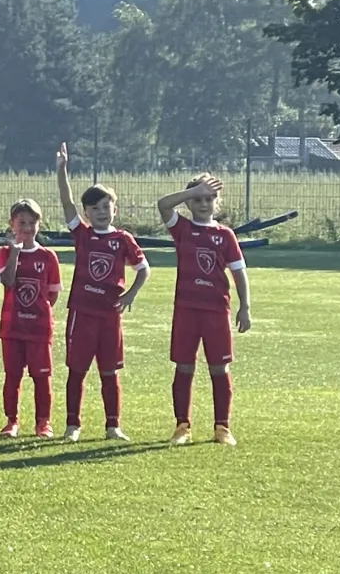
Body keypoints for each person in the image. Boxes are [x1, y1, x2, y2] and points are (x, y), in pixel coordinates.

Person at [55, 143, 150, 442]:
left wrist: (131, 294)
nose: (100, 212)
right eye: (94, 208)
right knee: (77, 370)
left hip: (110, 315)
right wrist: (62, 170)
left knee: (110, 372)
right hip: (82, 313)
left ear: (114, 209)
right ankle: (73, 426)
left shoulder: (123, 239)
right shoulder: (82, 234)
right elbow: (67, 202)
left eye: (105, 207)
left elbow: (144, 269)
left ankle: (113, 426)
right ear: (86, 212)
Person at [157, 175, 252, 446]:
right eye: (197, 198)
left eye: (209, 198)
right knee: (184, 366)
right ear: (188, 203)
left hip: (216, 311)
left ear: (216, 202)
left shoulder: (225, 235)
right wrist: (192, 190)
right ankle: (182, 426)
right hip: (186, 310)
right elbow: (163, 205)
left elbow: (239, 272)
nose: (203, 203)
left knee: (219, 368)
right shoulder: (183, 229)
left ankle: (222, 427)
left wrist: (245, 306)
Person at [0, 199, 62, 438]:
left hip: (39, 328)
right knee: (12, 376)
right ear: (12, 224)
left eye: (31, 222)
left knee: (41, 376)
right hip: (12, 327)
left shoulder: (48, 257)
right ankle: (11, 421)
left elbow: (52, 294)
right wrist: (15, 253)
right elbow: (8, 282)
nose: (26, 227)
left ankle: (43, 423)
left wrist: (38, 312)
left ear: (39, 224)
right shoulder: (4, 253)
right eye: (21, 222)